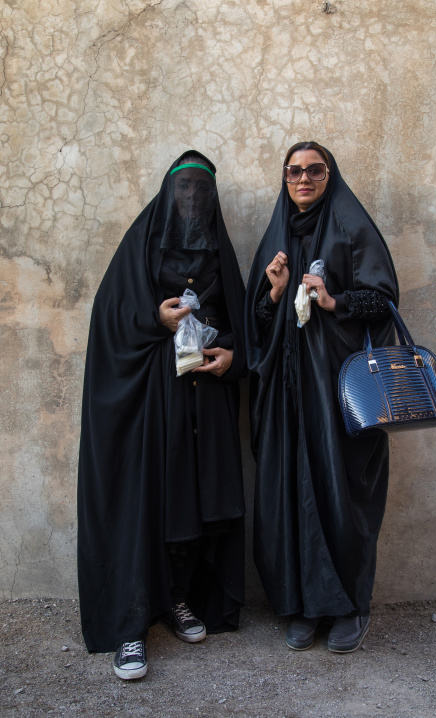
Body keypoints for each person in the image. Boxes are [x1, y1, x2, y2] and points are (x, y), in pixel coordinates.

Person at [78, 151, 246, 679]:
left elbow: (243, 322)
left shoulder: (221, 253)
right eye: (184, 189)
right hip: (152, 398)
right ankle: (130, 624)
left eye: (203, 190)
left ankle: (177, 597)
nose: (193, 199)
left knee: (193, 501)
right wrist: (156, 318)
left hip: (205, 397)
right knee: (143, 503)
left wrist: (231, 354)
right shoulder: (142, 246)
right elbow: (110, 316)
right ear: (168, 194)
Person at [245, 141, 399, 653]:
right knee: (289, 493)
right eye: (294, 171)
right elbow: (257, 325)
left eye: (314, 170)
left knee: (341, 492)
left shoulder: (351, 226)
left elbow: (383, 298)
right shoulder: (277, 234)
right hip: (288, 398)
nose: (304, 179)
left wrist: (333, 301)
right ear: (284, 178)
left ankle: (351, 606)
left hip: (340, 394)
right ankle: (301, 606)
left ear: (330, 175)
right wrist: (274, 292)